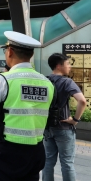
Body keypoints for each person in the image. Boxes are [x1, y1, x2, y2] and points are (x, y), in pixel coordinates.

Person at [0, 31, 55, 181]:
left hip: (8, 152)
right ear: (31, 55)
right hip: (36, 150)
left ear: (10, 51)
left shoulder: (3, 80)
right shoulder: (47, 83)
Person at [42, 53, 87, 181]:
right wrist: (75, 120)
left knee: (48, 161)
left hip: (47, 127)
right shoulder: (67, 82)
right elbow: (82, 101)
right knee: (67, 163)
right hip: (64, 127)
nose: (70, 67)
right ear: (59, 65)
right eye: (67, 64)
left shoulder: (44, 80)